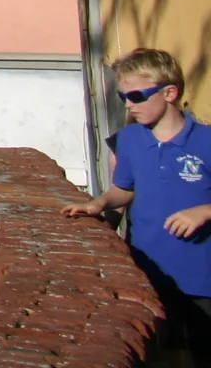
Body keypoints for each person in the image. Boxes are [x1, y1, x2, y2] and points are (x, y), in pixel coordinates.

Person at [62, 46, 211, 355]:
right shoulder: (129, 140)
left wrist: (204, 210)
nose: (129, 106)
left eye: (137, 96)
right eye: (123, 97)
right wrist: (100, 203)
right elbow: (124, 189)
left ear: (169, 93)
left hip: (203, 277)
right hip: (146, 271)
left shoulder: (206, 141)